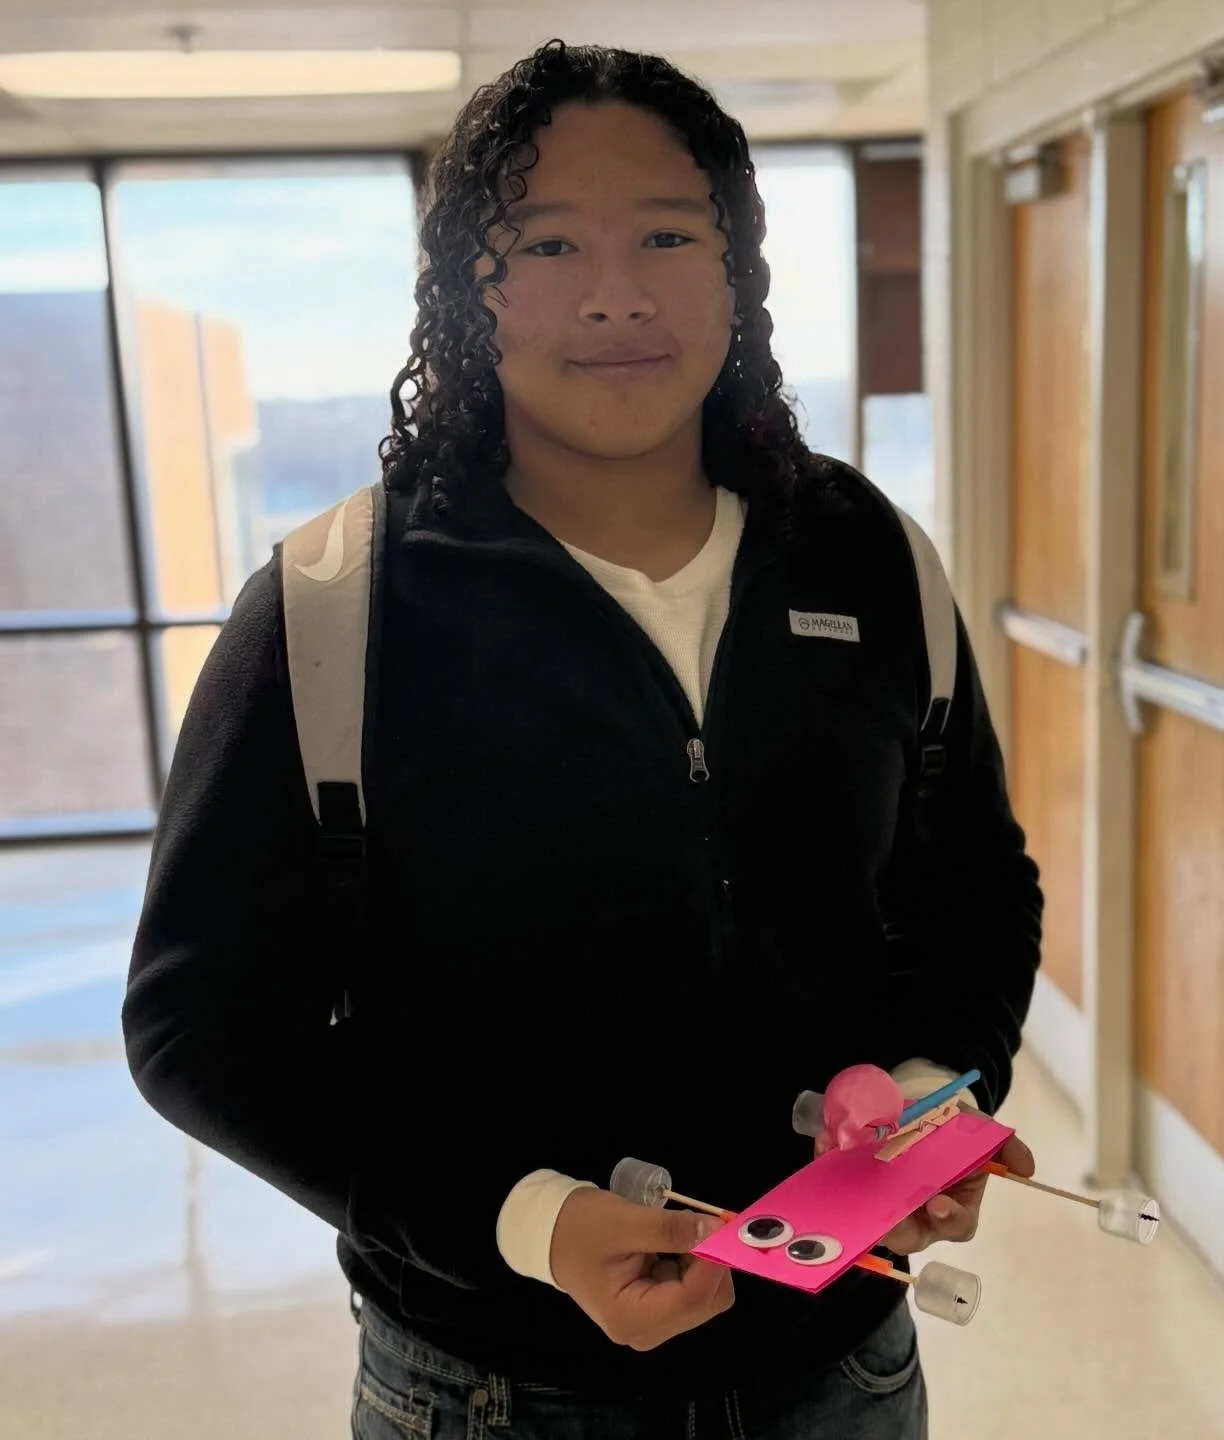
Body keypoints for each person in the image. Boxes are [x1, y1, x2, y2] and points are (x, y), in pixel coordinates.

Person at [123, 39, 1043, 1440]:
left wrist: (928, 1099)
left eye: (669, 234)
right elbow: (199, 1026)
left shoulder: (862, 557)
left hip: (842, 1372)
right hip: (494, 1388)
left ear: (737, 268)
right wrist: (531, 1222)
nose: (616, 293)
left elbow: (973, 887)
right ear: (464, 294)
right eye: (546, 244)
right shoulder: (334, 611)